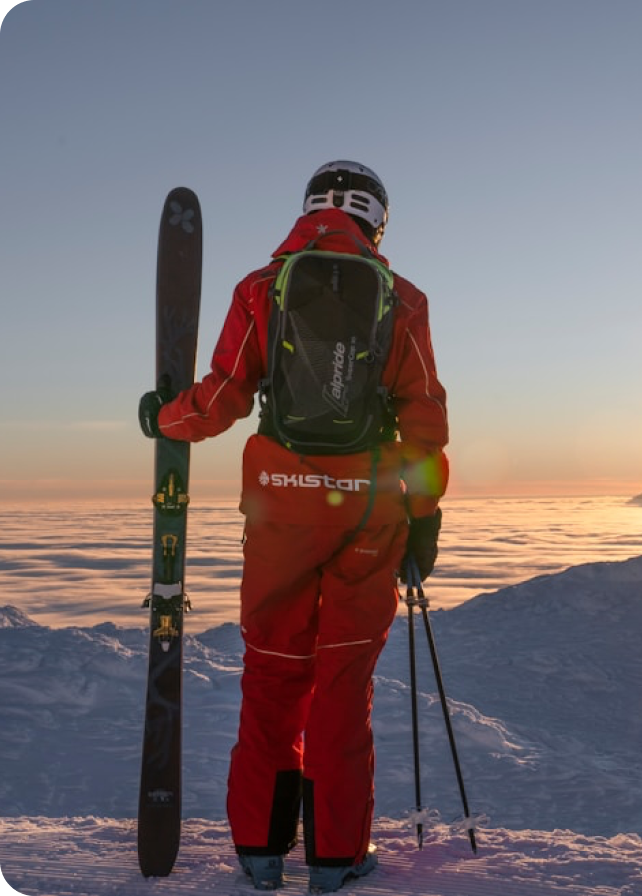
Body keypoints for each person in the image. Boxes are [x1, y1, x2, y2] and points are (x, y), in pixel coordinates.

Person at [139, 160, 449, 893]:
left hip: (279, 512)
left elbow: (222, 398)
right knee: (343, 688)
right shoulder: (401, 299)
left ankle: (259, 850)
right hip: (369, 521)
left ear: (307, 209)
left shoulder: (260, 288)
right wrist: (424, 522)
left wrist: (164, 417)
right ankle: (336, 858)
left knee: (273, 682)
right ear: (377, 221)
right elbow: (424, 423)